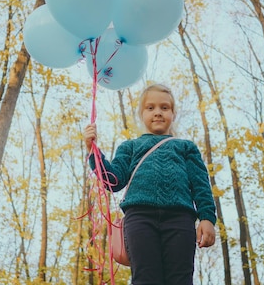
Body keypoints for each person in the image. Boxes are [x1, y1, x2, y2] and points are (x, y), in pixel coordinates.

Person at [83, 83, 217, 284]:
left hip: (180, 219)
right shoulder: (130, 147)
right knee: (146, 277)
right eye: (150, 108)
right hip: (139, 218)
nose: (157, 113)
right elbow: (113, 181)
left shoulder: (185, 147)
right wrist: (93, 151)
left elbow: (201, 186)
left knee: (180, 277)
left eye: (164, 108)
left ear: (173, 113)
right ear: (142, 113)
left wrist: (207, 218)